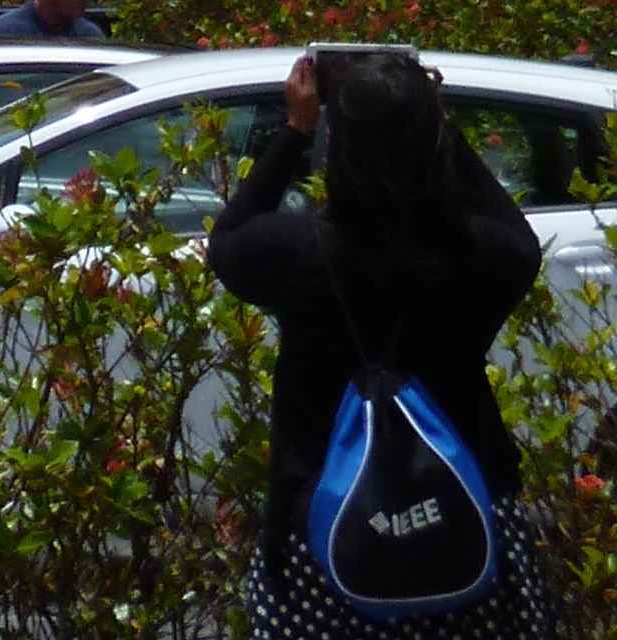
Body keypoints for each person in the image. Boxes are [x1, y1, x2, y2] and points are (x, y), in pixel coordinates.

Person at [209, 44, 556, 637]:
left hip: (326, 525)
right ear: (432, 141)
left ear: (337, 150)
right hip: (464, 520)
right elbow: (521, 244)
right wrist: (441, 128)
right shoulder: (474, 254)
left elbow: (229, 240)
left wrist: (296, 130)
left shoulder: (295, 252)